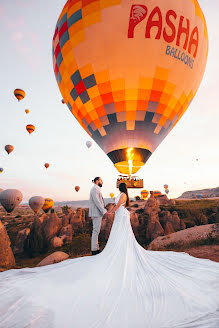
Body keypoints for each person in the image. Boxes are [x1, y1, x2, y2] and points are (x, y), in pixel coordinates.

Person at [0, 184, 219, 327]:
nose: (115, 186)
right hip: (122, 216)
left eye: (117, 184)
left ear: (121, 187)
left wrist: (110, 212)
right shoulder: (124, 195)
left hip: (121, 216)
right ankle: (117, 252)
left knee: (121, 239)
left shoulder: (123, 195)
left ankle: (118, 254)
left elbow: (118, 205)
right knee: (121, 240)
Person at [89, 177, 107, 255]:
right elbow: (97, 202)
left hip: (97, 213)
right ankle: (94, 250)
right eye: (101, 181)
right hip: (96, 213)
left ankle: (96, 248)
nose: (102, 182)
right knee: (96, 231)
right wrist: (104, 211)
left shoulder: (96, 189)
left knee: (96, 231)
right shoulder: (94, 189)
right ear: (97, 181)